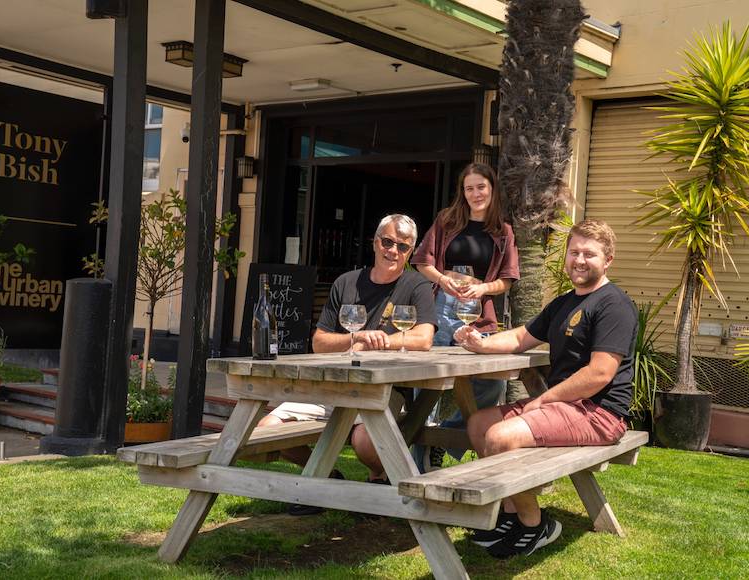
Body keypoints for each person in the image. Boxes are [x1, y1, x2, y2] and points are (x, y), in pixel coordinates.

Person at [453, 219, 637, 559]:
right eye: (574, 252)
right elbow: (522, 337)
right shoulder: (564, 303)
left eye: (589, 254)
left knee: (500, 437)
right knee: (479, 424)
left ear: (608, 260)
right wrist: (481, 343)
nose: (579, 260)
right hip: (566, 406)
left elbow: (600, 373)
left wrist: (545, 399)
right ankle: (510, 513)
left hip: (599, 413)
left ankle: (535, 524)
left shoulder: (614, 305)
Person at [257, 214, 437, 514]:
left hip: (384, 388)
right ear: (375, 242)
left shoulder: (417, 285)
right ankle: (326, 478)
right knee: (267, 431)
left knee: (364, 440)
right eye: (388, 242)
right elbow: (319, 342)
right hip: (334, 385)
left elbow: (424, 338)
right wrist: (355, 339)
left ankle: (378, 478)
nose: (393, 251)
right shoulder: (347, 282)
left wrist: (381, 341)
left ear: (410, 252)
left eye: (403, 246)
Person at [410, 162, 519, 471]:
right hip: (440, 307)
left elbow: (507, 280)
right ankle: (416, 467)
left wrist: (483, 288)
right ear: (463, 191)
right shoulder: (447, 220)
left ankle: (444, 441)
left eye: (481, 187)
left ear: (492, 189)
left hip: (476, 312)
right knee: (426, 386)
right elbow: (422, 261)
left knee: (490, 384)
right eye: (469, 188)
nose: (475, 194)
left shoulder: (503, 231)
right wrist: (443, 279)